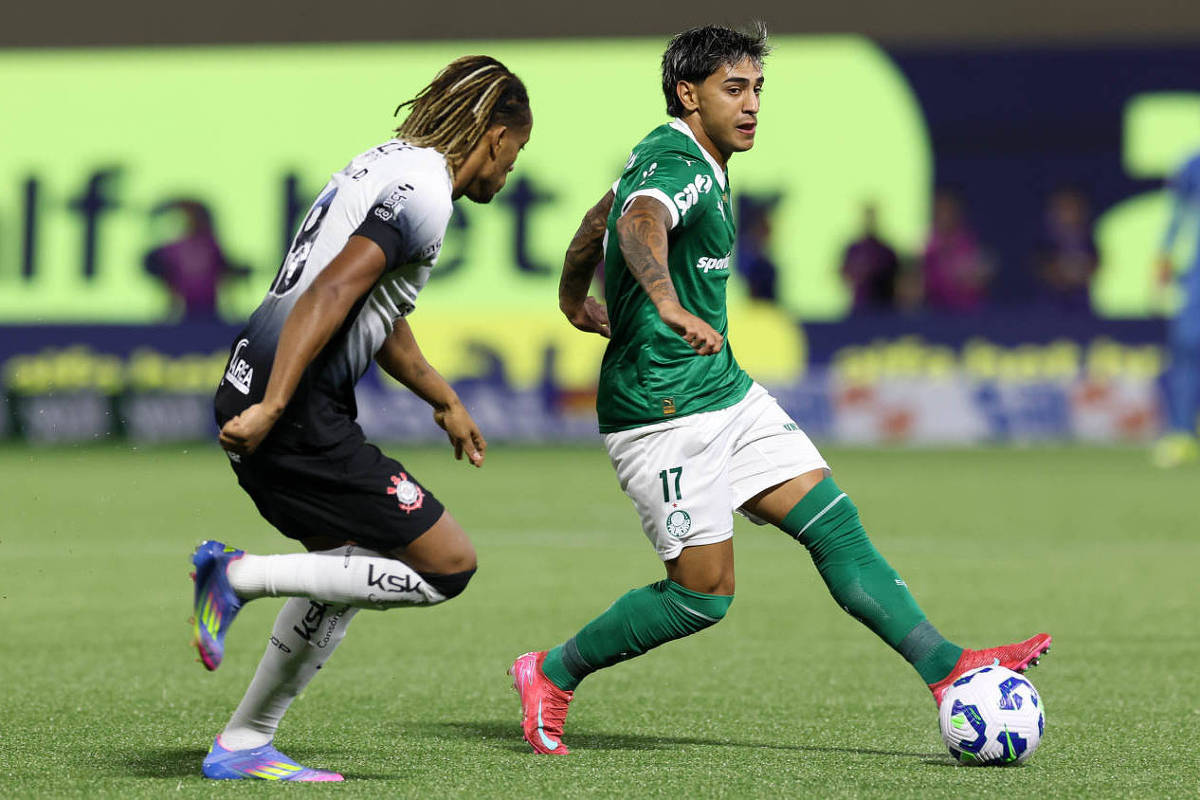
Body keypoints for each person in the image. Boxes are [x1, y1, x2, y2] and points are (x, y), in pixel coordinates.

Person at [508, 25, 1050, 755]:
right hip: (661, 412)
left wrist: (573, 295)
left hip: (722, 391)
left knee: (834, 523)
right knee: (702, 597)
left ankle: (949, 667)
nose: (753, 104)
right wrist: (666, 302)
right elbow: (637, 225)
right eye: (734, 88)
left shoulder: (671, 153)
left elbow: (598, 221)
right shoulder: (680, 166)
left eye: (758, 88)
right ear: (688, 94)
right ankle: (550, 672)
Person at [191, 55, 532, 781]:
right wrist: (276, 406)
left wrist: (443, 398)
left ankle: (245, 743)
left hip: (256, 379)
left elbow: (378, 310)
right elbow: (331, 294)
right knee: (448, 564)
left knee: (348, 567)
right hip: (295, 409)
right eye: (516, 153)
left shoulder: (386, 162)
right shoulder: (427, 194)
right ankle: (236, 577)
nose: (510, 172)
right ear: (497, 136)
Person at [1152, 149, 1200, 468]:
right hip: (1198, 276)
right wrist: (1164, 257)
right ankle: (1182, 433)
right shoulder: (1194, 165)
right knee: (1187, 348)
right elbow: (1178, 213)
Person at [143, 199, 250, 321]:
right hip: (181, 311)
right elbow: (155, 266)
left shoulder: (210, 246)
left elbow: (226, 271)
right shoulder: (175, 249)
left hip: (210, 311)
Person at [921, 187, 991, 312]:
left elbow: (978, 279)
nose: (944, 215)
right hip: (935, 313)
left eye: (948, 210)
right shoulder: (927, 246)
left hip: (969, 313)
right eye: (940, 210)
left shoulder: (968, 242)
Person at [1032, 186, 1099, 312]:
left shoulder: (1092, 239)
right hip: (1049, 307)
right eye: (1064, 208)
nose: (1068, 214)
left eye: (1073, 208)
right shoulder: (1043, 242)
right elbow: (1044, 271)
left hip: (1085, 307)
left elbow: (1096, 267)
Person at [840, 201, 901, 312]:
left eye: (872, 218)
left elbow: (896, 277)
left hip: (883, 307)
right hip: (859, 306)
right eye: (867, 218)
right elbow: (844, 274)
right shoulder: (854, 249)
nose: (869, 222)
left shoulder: (886, 251)